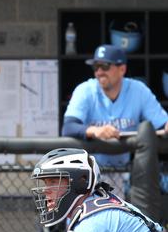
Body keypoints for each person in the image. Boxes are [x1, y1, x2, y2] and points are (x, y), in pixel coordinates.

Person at [30, 148, 168, 232]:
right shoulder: (98, 202)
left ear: (81, 181)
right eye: (46, 183)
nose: (46, 191)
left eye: (54, 181)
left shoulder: (91, 223)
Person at [61, 44, 168, 197]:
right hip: (87, 173)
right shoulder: (86, 90)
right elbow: (68, 127)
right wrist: (95, 131)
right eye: (96, 67)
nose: (99, 72)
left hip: (122, 171)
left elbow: (162, 123)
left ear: (122, 69)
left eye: (104, 66)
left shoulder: (138, 90)